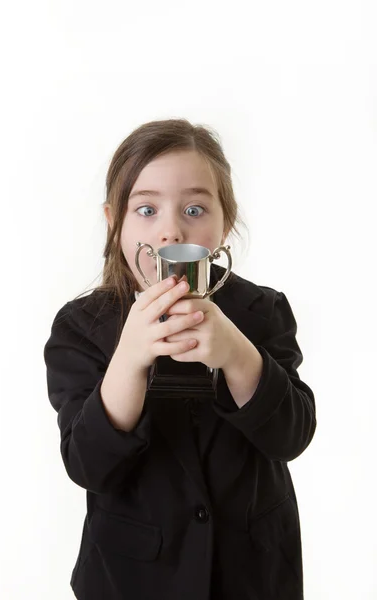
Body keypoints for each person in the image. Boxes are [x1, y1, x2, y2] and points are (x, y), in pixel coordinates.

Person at [43, 118, 316, 600]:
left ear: (224, 222)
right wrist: (129, 359)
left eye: (194, 208)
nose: (170, 229)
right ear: (114, 224)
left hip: (254, 572)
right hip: (132, 579)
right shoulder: (81, 327)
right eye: (146, 209)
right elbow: (88, 465)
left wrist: (236, 353)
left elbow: (291, 436)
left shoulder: (263, 311)